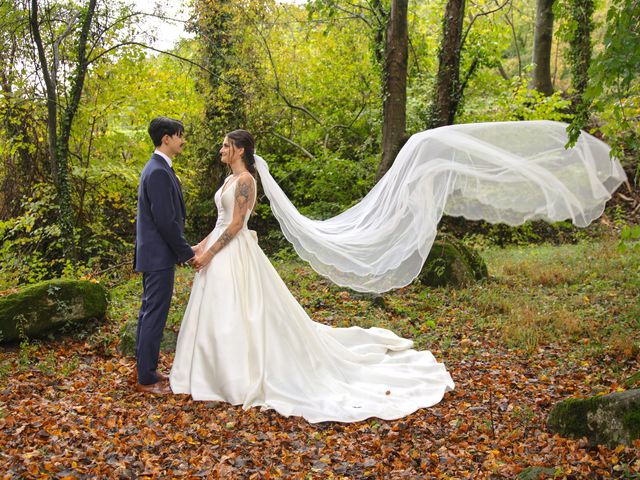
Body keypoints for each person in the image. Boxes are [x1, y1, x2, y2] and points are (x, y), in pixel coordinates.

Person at [170, 130, 455, 422]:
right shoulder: (229, 180)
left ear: (240, 150)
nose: (221, 149)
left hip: (234, 252)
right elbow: (220, 223)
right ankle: (213, 371)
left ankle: (236, 375)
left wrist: (209, 254)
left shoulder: (245, 181)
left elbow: (235, 225)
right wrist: (199, 246)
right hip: (221, 251)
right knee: (221, 311)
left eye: (226, 145)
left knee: (240, 311)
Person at [134, 117, 195, 395]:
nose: (183, 140)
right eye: (180, 135)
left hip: (156, 255)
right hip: (158, 256)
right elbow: (166, 220)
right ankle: (146, 379)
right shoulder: (158, 171)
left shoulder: (159, 168)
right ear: (166, 139)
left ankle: (146, 369)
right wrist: (186, 253)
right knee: (154, 315)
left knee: (150, 313)